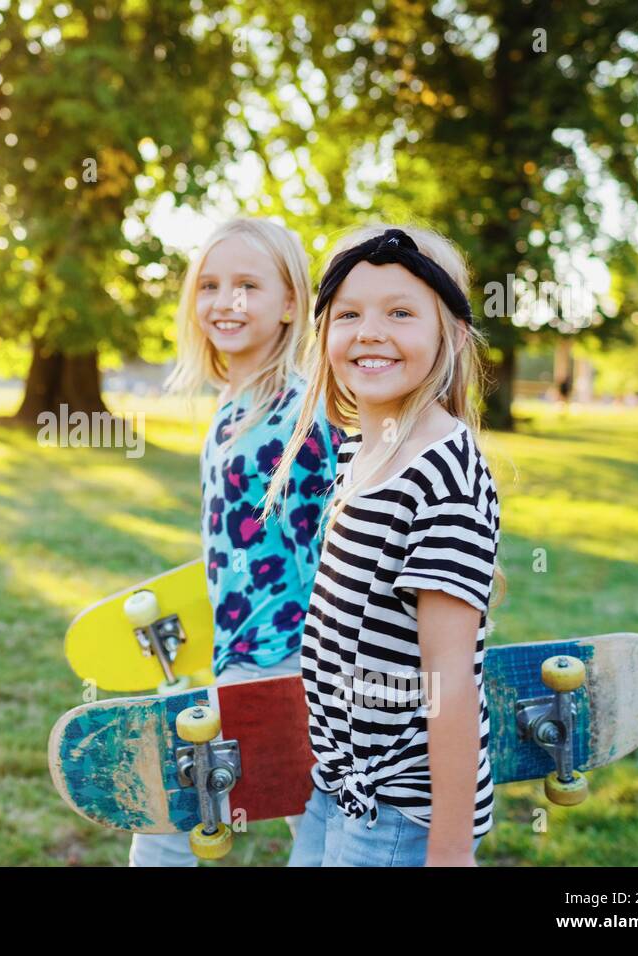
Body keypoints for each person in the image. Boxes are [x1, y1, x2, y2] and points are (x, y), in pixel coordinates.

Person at [264, 225, 503, 867]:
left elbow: (449, 685)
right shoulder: (359, 454)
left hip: (401, 811)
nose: (370, 331)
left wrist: (451, 852)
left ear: (451, 334)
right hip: (340, 782)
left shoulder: (442, 477)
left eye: (400, 312)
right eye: (349, 314)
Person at [127, 218, 341, 867]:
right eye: (211, 285)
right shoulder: (230, 406)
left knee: (173, 809)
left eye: (249, 284)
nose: (228, 301)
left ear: (290, 305)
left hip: (294, 664)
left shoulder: (308, 409)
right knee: (185, 811)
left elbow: (342, 531)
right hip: (238, 654)